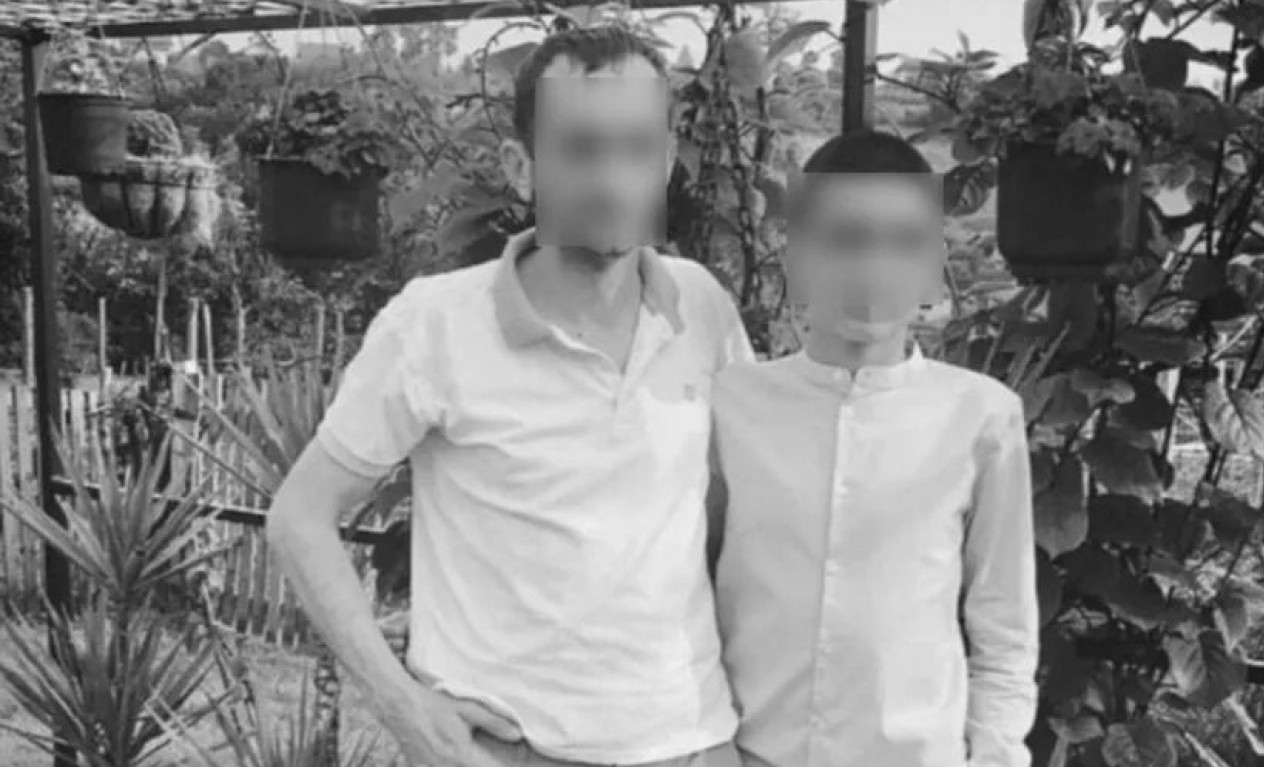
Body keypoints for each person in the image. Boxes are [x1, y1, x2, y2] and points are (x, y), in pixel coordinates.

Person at [264, 26, 751, 767]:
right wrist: (401, 703)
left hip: (692, 744)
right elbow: (299, 518)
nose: (612, 179)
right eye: (581, 149)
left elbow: (730, 502)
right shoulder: (434, 324)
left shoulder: (702, 306)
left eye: (637, 148)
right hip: (503, 749)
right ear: (521, 168)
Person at [709, 131, 1039, 767]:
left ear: (932, 264)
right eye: (846, 239)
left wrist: (995, 755)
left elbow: (1005, 623)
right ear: (797, 255)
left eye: (903, 242)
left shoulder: (981, 417)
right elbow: (684, 587)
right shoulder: (731, 405)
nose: (874, 268)